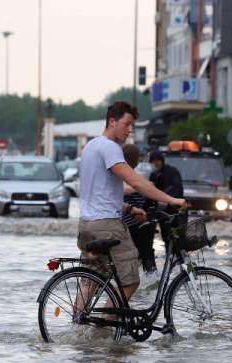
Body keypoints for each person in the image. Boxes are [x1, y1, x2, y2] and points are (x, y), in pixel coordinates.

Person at [77, 101, 187, 305]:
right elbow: (136, 182)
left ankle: (78, 328)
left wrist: (129, 207)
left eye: (131, 126)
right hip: (108, 226)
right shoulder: (110, 148)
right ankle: (101, 332)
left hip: (86, 224)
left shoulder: (90, 146)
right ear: (112, 121)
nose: (129, 130)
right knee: (130, 281)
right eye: (126, 124)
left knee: (89, 282)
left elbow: (99, 191)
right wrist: (173, 200)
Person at [121, 144, 157, 273]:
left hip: (129, 224)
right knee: (146, 254)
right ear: (136, 160)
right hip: (136, 224)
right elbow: (121, 192)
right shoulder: (133, 178)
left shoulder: (129, 176)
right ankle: (151, 279)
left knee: (138, 255)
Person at [148, 150, 184, 247]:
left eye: (158, 160)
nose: (156, 163)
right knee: (165, 236)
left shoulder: (172, 171)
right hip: (161, 211)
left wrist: (167, 199)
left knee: (176, 237)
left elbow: (178, 190)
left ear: (162, 160)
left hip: (174, 210)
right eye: (153, 161)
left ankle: (178, 256)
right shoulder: (153, 174)